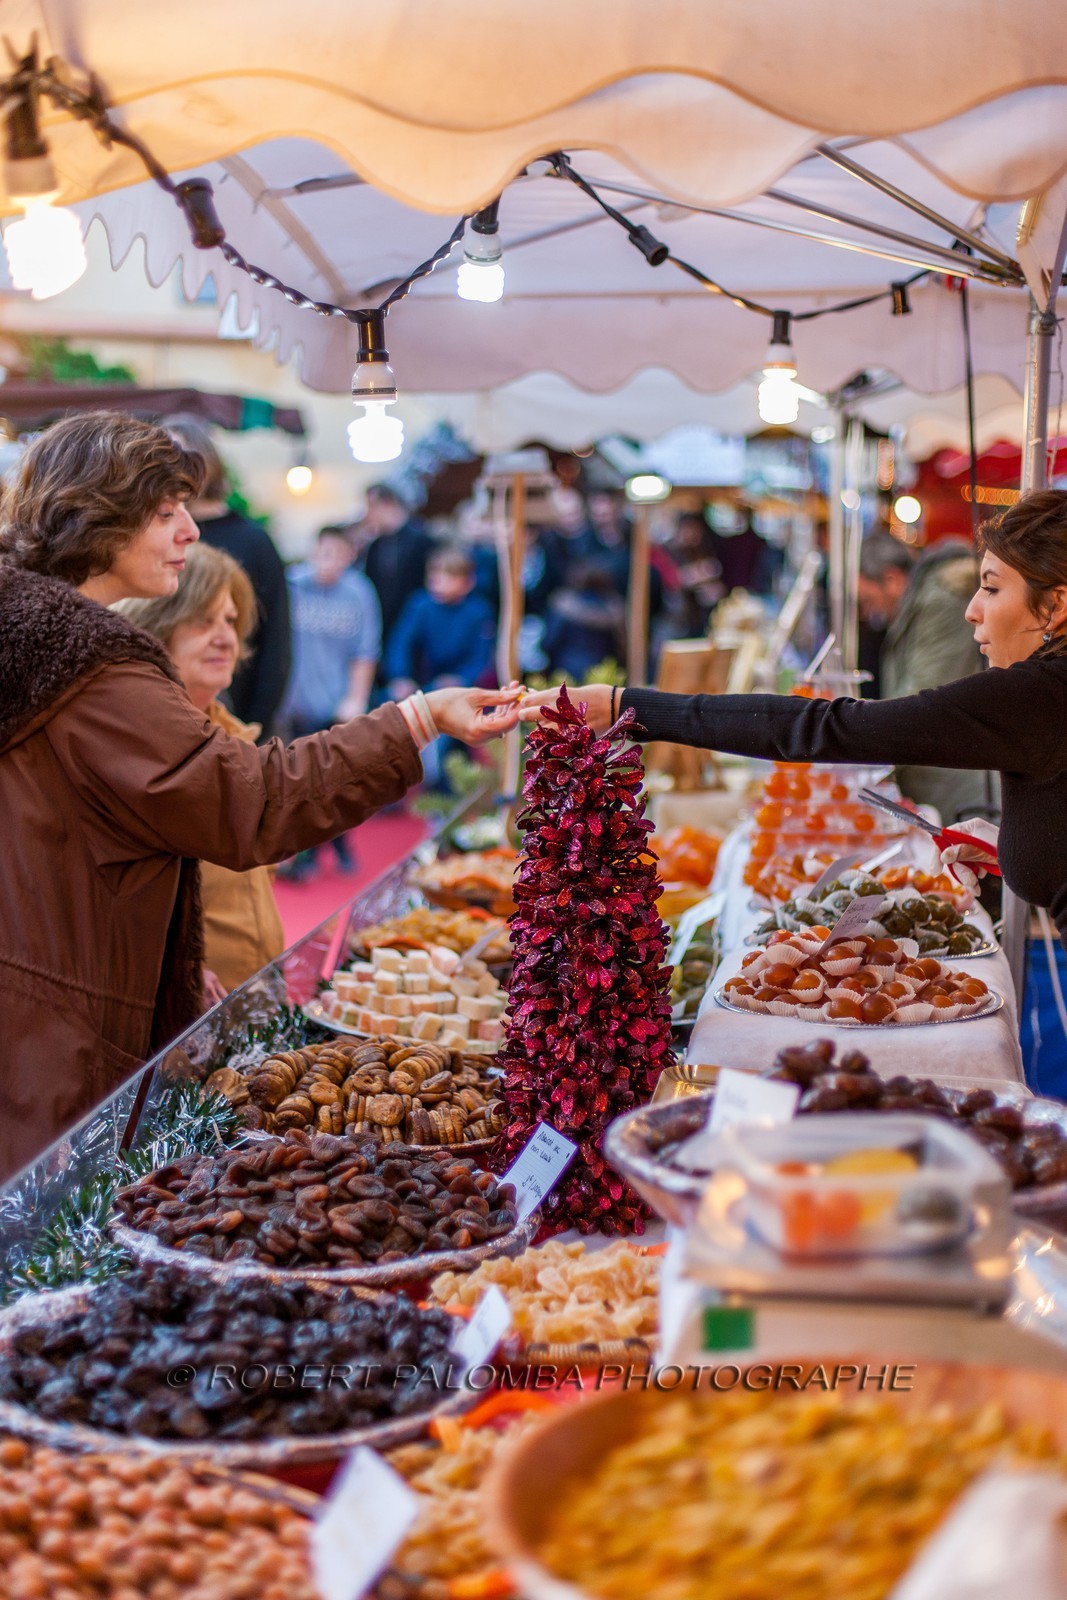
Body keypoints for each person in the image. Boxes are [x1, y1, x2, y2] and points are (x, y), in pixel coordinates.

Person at [0, 412, 521, 1181]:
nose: (188, 531)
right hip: (59, 1025)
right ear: (97, 513)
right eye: (165, 509)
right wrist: (415, 719)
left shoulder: (34, 639)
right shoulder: (91, 668)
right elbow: (252, 801)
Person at [520, 491, 1067, 949]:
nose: (972, 608)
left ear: (1055, 606)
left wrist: (628, 708)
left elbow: (827, 727)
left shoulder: (1036, 695)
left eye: (992, 587)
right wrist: (1010, 841)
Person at [116, 544, 287, 996]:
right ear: (156, 626)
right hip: (176, 1017)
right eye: (202, 619)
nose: (225, 637)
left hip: (250, 999)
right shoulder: (135, 745)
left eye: (230, 620)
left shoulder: (237, 738)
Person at [164, 414, 291, 740]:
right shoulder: (153, 537)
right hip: (164, 711)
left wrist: (256, 726)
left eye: (184, 456)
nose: (174, 468)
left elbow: (274, 638)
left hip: (236, 713)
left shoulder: (253, 541)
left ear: (207, 461)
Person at [857, 531, 994, 822]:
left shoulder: (938, 602)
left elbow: (921, 699)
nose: (869, 612)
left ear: (892, 580)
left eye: (868, 599)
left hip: (957, 785)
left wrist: (864, 759)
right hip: (938, 774)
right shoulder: (920, 603)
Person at [281, 525, 383, 877]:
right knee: (302, 781)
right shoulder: (292, 585)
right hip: (294, 704)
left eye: (335, 555)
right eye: (322, 553)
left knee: (332, 782)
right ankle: (307, 855)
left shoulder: (359, 593)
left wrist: (355, 699)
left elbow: (366, 652)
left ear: (348, 557)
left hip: (336, 703)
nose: (326, 562)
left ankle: (335, 845)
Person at [387, 546, 497, 787]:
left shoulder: (478, 612)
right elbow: (401, 644)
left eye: (448, 577)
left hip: (463, 688)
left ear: (467, 583)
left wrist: (462, 679)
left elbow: (482, 657)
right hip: (422, 685)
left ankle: (448, 789)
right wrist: (400, 676)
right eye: (434, 576)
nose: (438, 582)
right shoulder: (420, 605)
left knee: (451, 743)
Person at [358, 482, 435, 657]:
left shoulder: (422, 540)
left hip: (414, 628)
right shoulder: (375, 546)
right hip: (382, 625)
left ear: (388, 503)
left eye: (372, 506)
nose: (368, 514)